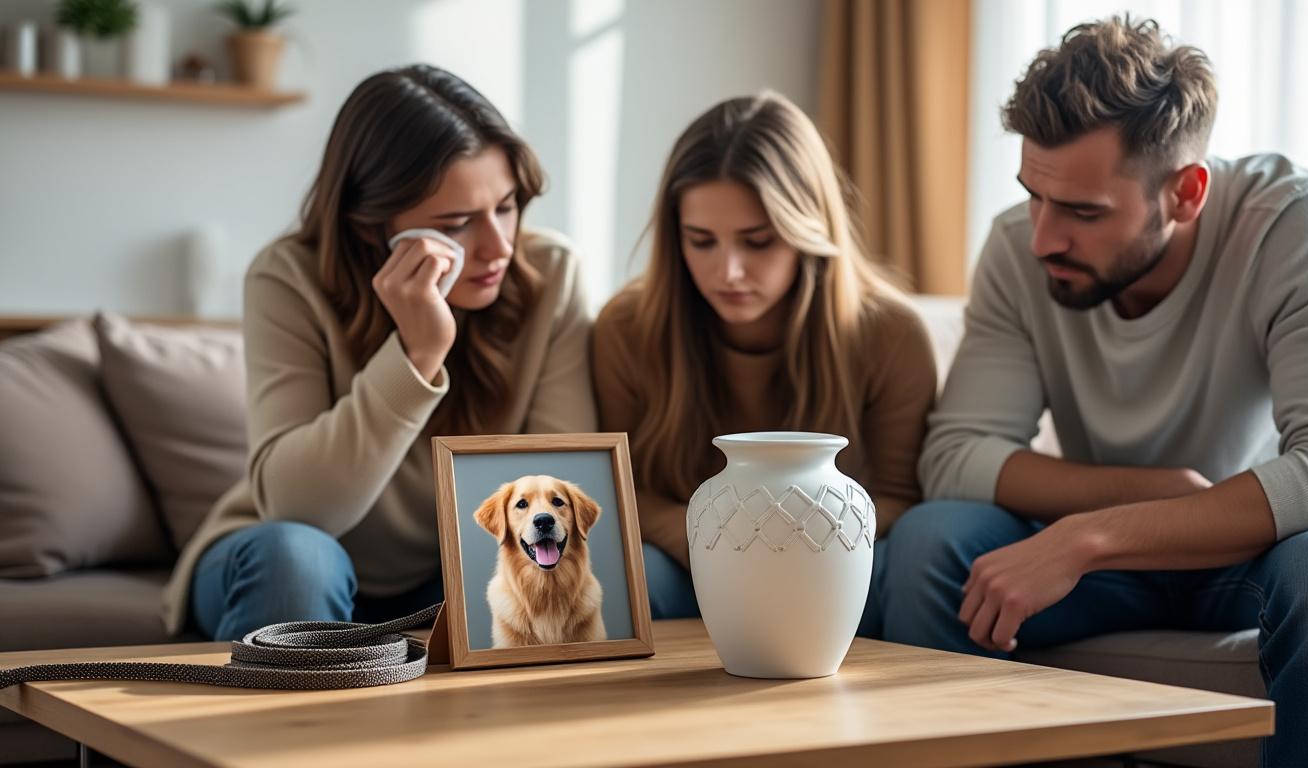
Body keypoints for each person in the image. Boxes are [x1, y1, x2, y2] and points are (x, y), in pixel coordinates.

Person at [885, 17, 1308, 766]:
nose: (1042, 239)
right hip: (1109, 572)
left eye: (1083, 212)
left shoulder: (1298, 227)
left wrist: (1088, 535)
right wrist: (1143, 494)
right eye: (1034, 195)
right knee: (931, 542)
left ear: (1187, 193)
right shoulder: (1016, 249)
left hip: (1253, 554)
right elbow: (957, 455)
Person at [164, 65, 597, 640]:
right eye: (459, 223)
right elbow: (300, 508)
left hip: (446, 571)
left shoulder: (551, 275)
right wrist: (417, 354)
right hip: (285, 554)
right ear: (373, 227)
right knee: (299, 559)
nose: (498, 245)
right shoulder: (286, 276)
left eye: (508, 205)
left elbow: (555, 482)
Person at [592, 91, 937, 631]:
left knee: (898, 565)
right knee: (626, 576)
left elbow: (900, 494)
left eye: (758, 241)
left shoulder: (890, 333)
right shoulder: (627, 329)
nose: (728, 271)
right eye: (700, 241)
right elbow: (617, 486)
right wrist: (717, 540)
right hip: (684, 557)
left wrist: (791, 538)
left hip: (832, 560)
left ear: (809, 230)